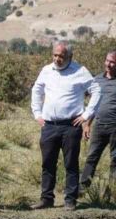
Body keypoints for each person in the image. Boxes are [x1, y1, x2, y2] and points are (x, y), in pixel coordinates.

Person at [30, 41, 101, 210]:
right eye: (55, 55)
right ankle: (46, 198)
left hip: (70, 126)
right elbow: (37, 89)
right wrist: (37, 114)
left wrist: (86, 114)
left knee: (70, 164)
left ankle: (70, 200)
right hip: (49, 125)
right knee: (47, 163)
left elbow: (96, 90)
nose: (57, 59)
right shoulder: (47, 70)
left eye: (61, 56)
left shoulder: (80, 71)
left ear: (69, 56)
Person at [81, 51, 116, 188]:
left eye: (112, 62)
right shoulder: (96, 80)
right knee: (91, 157)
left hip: (115, 128)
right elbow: (91, 104)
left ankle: (112, 191)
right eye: (107, 60)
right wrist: (87, 124)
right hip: (99, 126)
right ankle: (83, 188)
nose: (108, 64)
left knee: (115, 160)